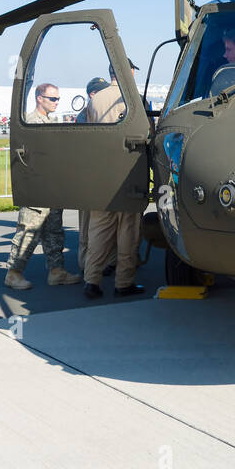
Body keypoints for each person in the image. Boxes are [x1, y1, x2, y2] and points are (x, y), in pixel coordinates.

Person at [4, 83, 78, 289]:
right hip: (36, 186)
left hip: (51, 185)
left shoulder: (49, 121)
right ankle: (13, 273)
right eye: (52, 99)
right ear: (39, 98)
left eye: (57, 99)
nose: (56, 103)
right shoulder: (29, 122)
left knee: (54, 230)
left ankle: (57, 271)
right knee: (28, 229)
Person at [82, 61, 146, 299]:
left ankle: (91, 280)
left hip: (101, 173)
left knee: (98, 229)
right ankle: (124, 282)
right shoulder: (134, 97)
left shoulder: (95, 99)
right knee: (128, 230)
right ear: (127, 72)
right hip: (127, 172)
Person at [75, 75, 108, 275]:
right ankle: (85, 263)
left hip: (97, 177)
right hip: (87, 179)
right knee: (87, 226)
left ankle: (98, 262)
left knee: (98, 226)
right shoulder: (84, 116)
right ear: (93, 94)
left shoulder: (95, 113)